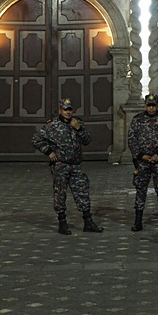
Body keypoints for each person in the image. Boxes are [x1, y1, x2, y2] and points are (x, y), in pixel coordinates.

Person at [32, 98, 103, 235]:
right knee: (60, 194)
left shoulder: (76, 123)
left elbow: (87, 140)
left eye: (70, 109)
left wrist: (79, 129)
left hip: (75, 165)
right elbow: (36, 139)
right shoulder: (51, 125)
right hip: (60, 165)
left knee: (82, 192)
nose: (68, 112)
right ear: (60, 110)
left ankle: (88, 222)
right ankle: (62, 223)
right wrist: (48, 151)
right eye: (65, 109)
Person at [127, 92, 158, 232]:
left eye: (153, 105)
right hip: (142, 162)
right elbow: (132, 139)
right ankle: (138, 221)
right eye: (148, 105)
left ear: (157, 105)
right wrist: (140, 155)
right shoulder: (137, 120)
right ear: (145, 105)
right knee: (140, 190)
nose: (151, 108)